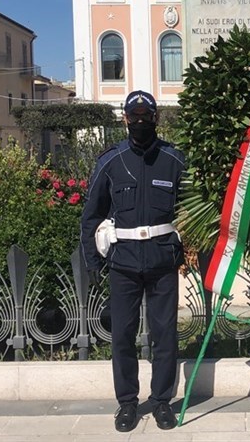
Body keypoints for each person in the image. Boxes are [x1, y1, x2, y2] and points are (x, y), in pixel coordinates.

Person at [80, 90, 185, 432]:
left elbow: (191, 212)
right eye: (134, 116)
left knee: (165, 335)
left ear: (156, 118)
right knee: (123, 336)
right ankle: (127, 403)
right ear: (125, 119)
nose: (140, 121)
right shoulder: (110, 161)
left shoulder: (174, 160)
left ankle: (161, 402)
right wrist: (93, 262)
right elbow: (91, 216)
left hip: (162, 262)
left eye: (146, 116)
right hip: (123, 263)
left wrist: (192, 253)